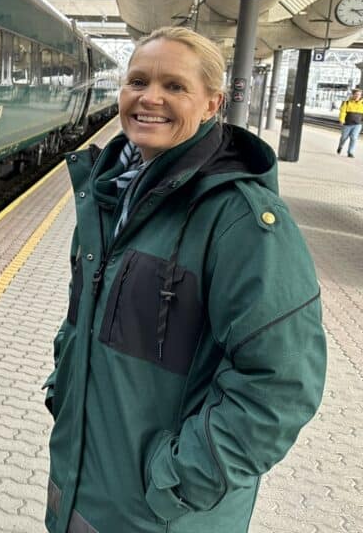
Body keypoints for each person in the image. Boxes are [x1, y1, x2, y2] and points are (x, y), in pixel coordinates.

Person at [43, 26, 327, 533]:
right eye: (138, 81)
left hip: (162, 513)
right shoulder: (108, 199)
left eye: (174, 86)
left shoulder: (242, 221)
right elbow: (82, 320)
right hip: (81, 487)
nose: (150, 97)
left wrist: (181, 479)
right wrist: (62, 387)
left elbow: (282, 384)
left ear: (213, 104)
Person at [336, 87, 363, 157]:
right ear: (353, 95)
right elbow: (342, 112)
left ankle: (350, 152)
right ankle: (340, 146)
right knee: (343, 138)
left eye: (359, 94)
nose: (357, 96)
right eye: (356, 94)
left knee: (354, 138)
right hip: (347, 124)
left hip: (358, 124)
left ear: (361, 96)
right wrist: (341, 120)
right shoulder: (347, 103)